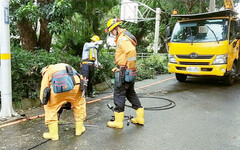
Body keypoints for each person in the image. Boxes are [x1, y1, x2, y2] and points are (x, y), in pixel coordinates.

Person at [106, 18, 144, 129]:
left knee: (118, 94)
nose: (112, 33)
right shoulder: (125, 37)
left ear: (115, 28)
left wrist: (128, 68)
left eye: (112, 31)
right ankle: (140, 118)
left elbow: (131, 52)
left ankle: (118, 122)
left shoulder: (122, 39)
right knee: (130, 93)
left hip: (124, 71)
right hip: (126, 71)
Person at [40, 63, 86, 141]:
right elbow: (79, 77)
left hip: (57, 91)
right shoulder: (66, 65)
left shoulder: (47, 72)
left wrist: (43, 101)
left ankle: (53, 134)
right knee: (79, 104)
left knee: (51, 108)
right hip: (75, 86)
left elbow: (44, 88)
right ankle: (79, 129)